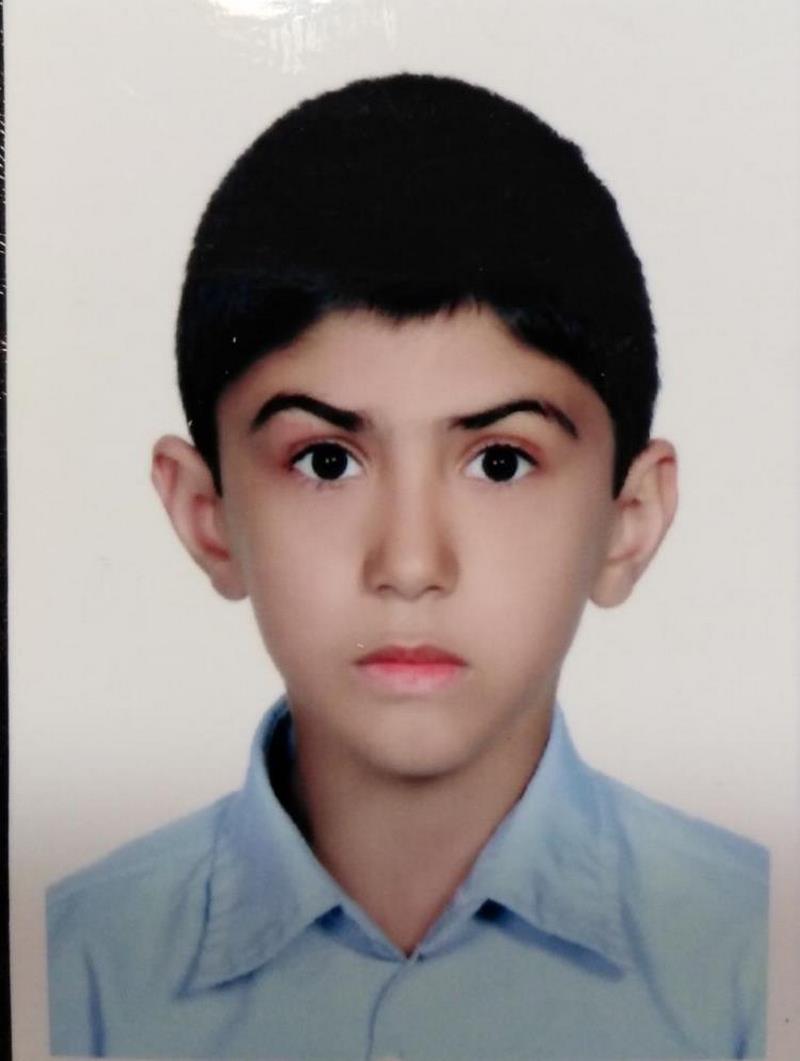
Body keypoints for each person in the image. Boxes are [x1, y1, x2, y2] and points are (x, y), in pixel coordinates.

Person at [46, 73, 768, 1059]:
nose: (411, 563)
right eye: (325, 461)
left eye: (499, 462)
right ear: (206, 515)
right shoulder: (67, 973)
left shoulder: (755, 962)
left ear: (627, 521)